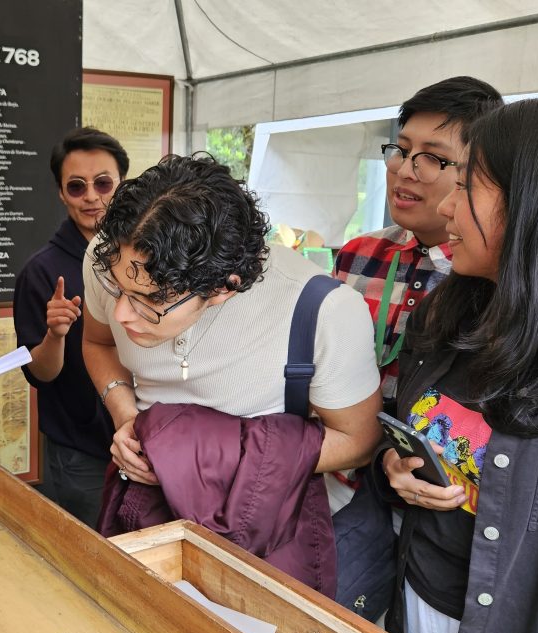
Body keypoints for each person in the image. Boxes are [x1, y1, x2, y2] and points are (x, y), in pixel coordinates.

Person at [373, 98, 538, 633]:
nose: (448, 206)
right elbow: (416, 432)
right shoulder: (444, 314)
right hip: (414, 602)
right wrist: (395, 466)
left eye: (467, 187)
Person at [83, 154, 383, 588]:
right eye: (117, 290)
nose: (122, 314)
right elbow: (98, 342)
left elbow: (360, 440)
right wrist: (126, 415)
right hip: (146, 503)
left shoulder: (323, 309)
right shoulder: (118, 255)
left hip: (266, 524)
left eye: (149, 301)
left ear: (224, 288)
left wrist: (202, 455)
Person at [328, 76, 503, 513]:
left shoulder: (484, 279)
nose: (405, 170)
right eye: (402, 150)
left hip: (428, 497)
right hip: (337, 473)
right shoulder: (358, 255)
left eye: (433, 159)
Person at [13, 127, 128, 526]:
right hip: (82, 452)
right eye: (77, 187)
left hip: (147, 439)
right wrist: (55, 335)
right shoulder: (41, 272)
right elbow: (40, 374)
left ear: (122, 184)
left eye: (103, 183)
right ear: (61, 193)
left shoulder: (146, 255)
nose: (92, 197)